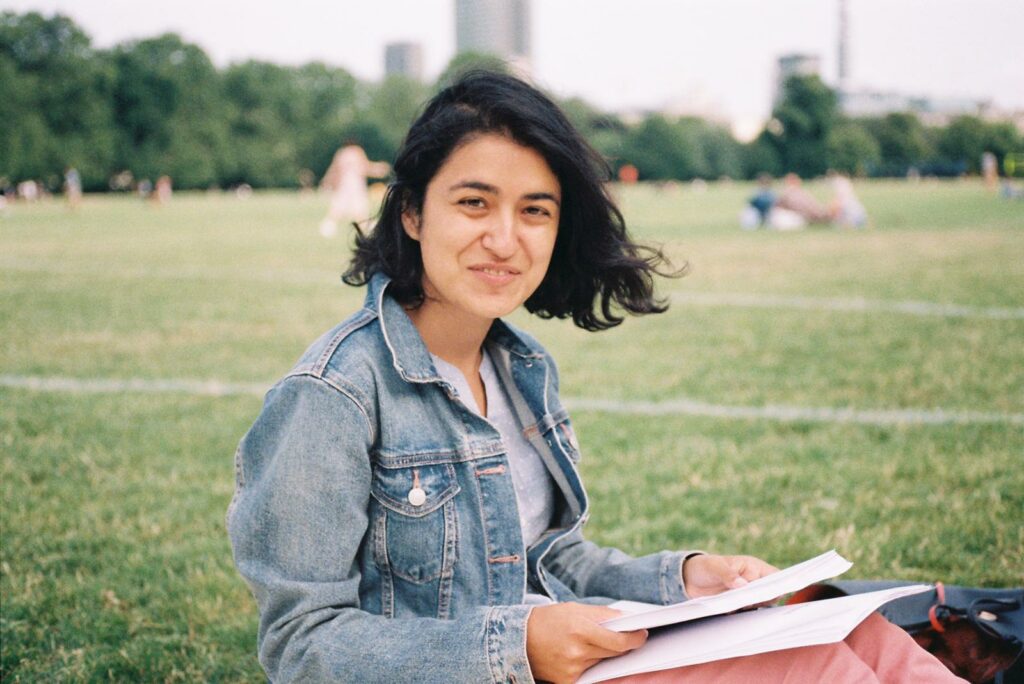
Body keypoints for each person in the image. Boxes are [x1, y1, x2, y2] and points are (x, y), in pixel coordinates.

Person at [227, 72, 964, 684]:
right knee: (816, 669)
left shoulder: (518, 369)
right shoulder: (333, 396)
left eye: (535, 211)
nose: (505, 239)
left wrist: (685, 579)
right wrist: (516, 646)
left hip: (566, 663)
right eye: (474, 202)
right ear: (414, 212)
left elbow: (551, 561)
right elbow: (302, 646)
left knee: (870, 643)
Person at [318, 142, 391, 238]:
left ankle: (328, 226)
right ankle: (370, 228)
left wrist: (328, 181)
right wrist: (378, 169)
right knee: (359, 210)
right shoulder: (356, 151)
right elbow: (364, 168)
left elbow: (335, 170)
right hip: (355, 185)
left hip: (344, 185)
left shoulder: (341, 153)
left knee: (339, 208)